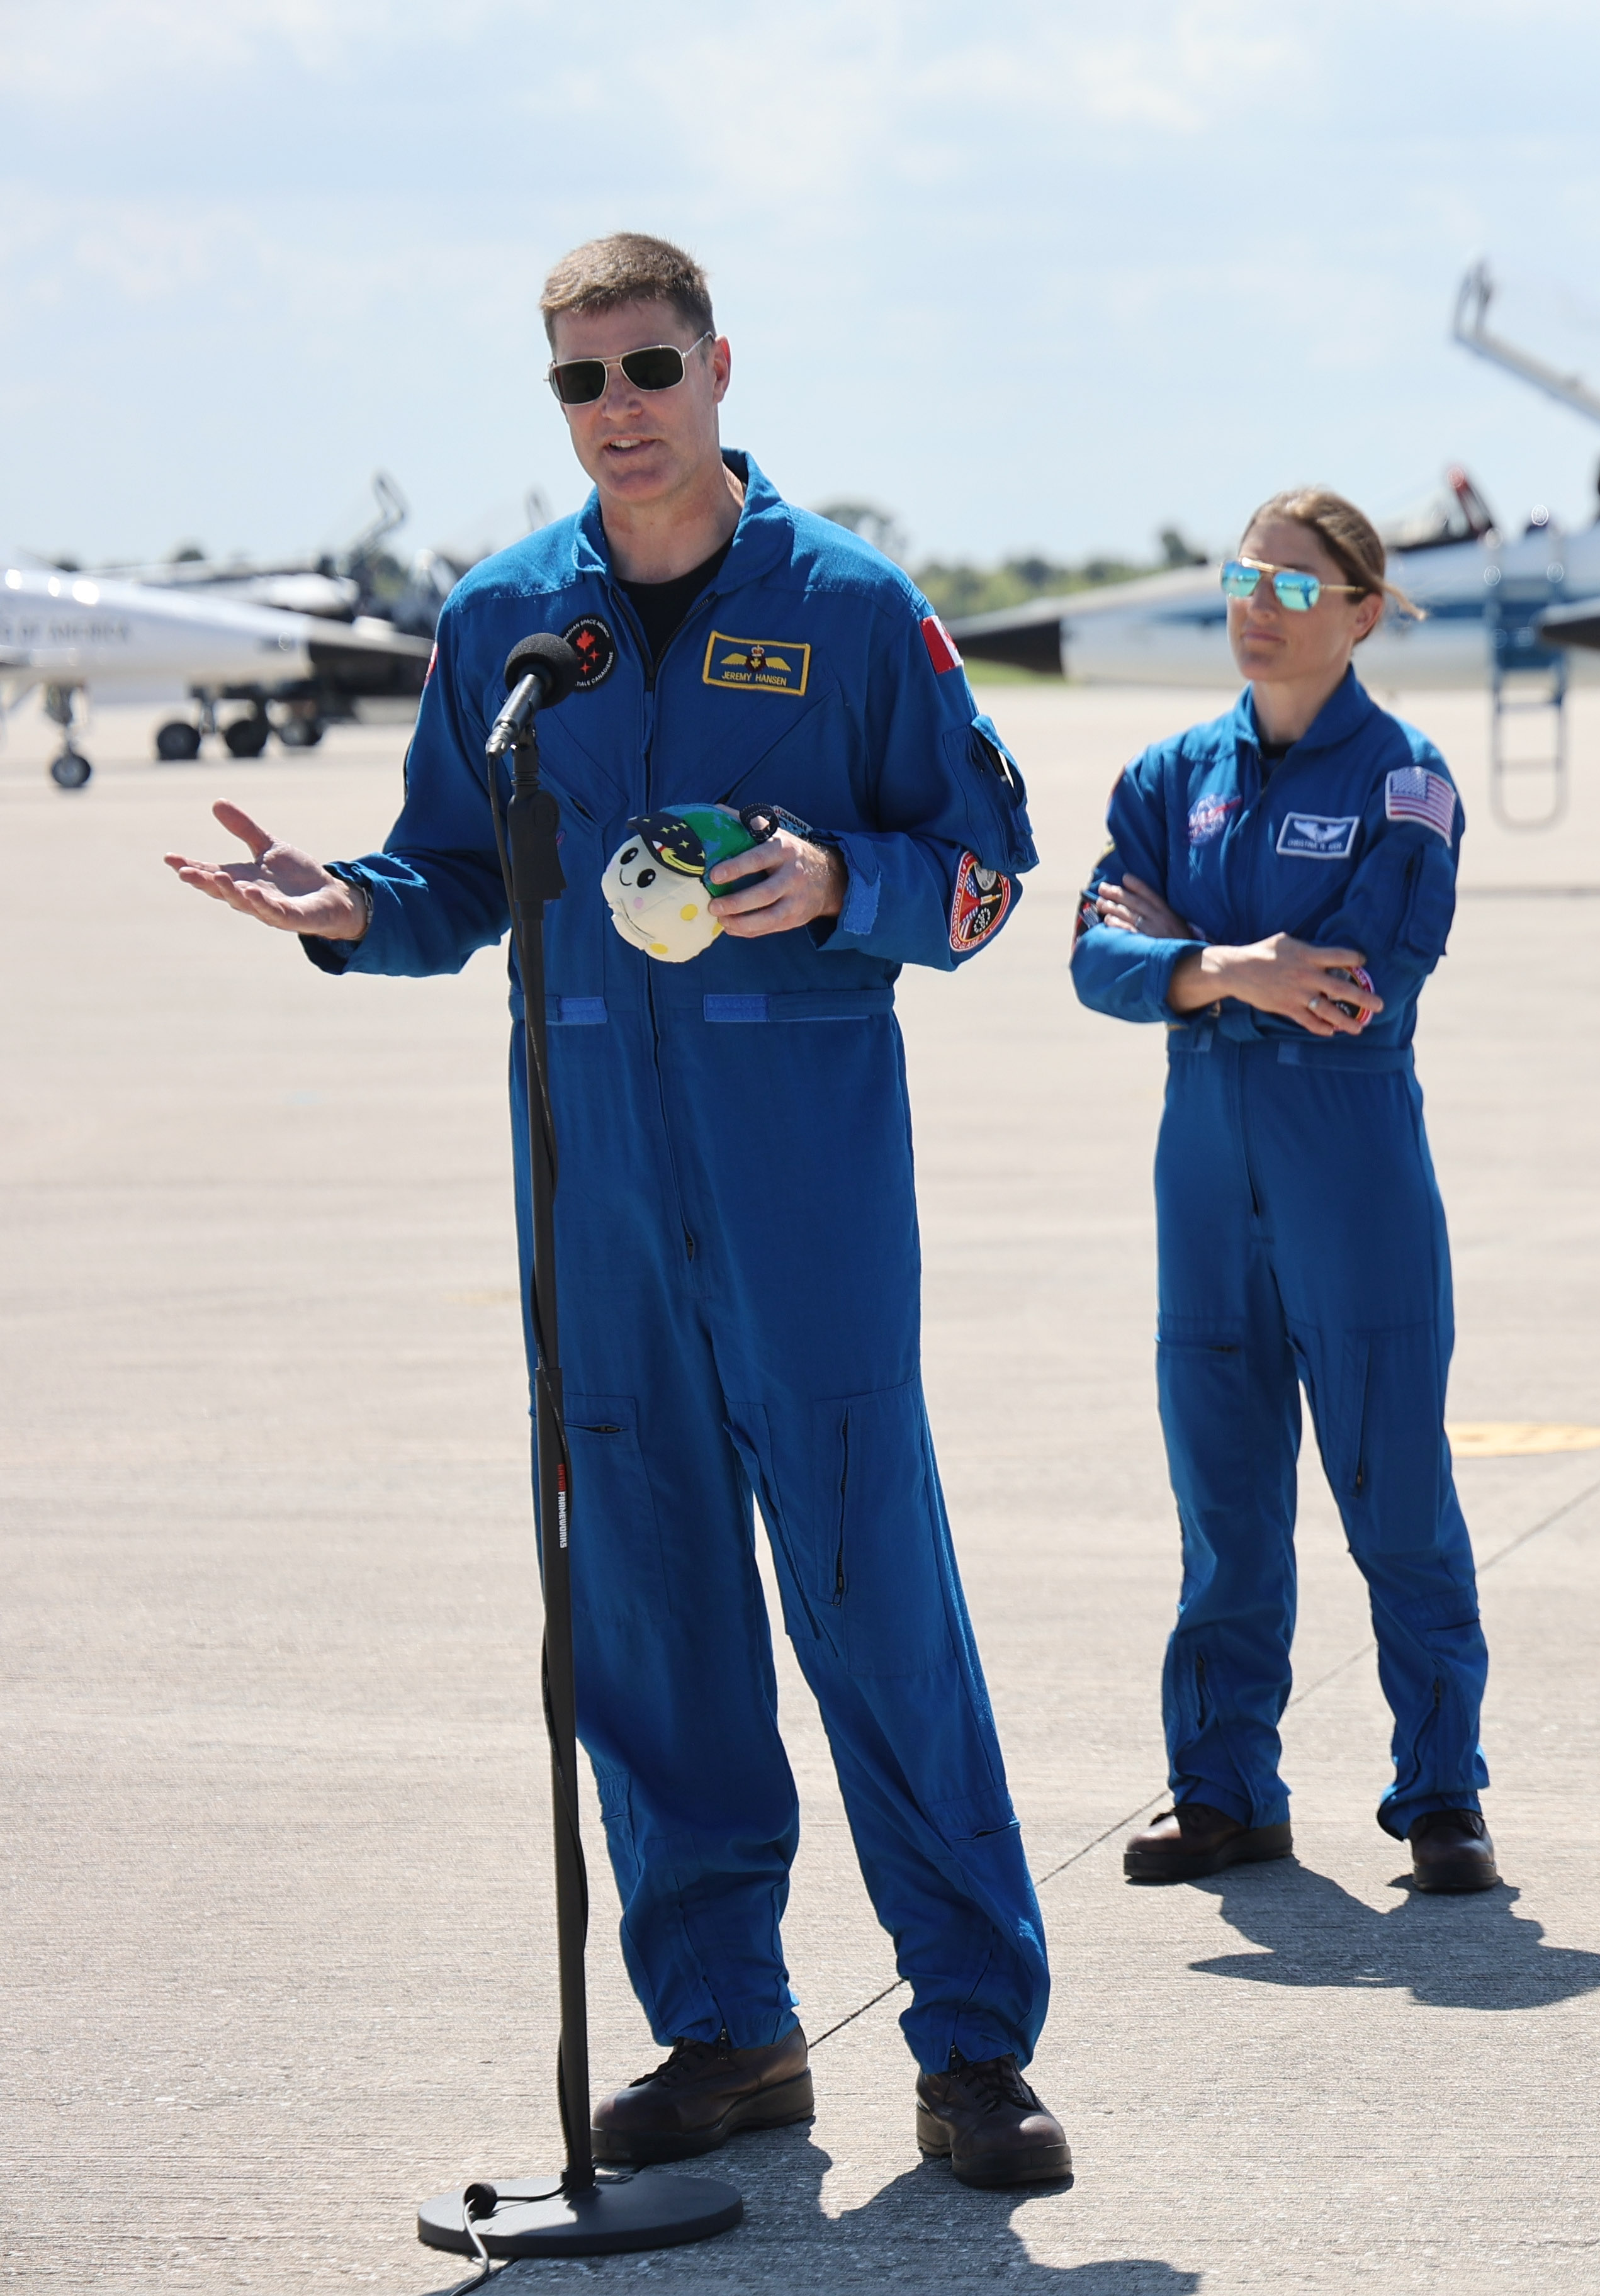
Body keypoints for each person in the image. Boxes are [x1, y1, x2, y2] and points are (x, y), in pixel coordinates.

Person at [161, 234, 1071, 2183]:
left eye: (646, 367)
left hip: (802, 1198)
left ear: (719, 364)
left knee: (873, 1602)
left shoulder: (849, 611)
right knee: (645, 1626)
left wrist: (846, 886)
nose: (617, 410)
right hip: (592, 1201)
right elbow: (448, 875)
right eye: (578, 382)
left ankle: (975, 2043)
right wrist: (348, 914)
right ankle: (729, 2031)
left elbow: (989, 872)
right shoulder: (508, 622)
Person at [1071, 488, 1500, 1899]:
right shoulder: (1168, 776)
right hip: (1203, 1187)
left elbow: (1361, 990)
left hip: (1351, 1178)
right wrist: (1239, 969)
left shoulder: (1405, 782)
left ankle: (1442, 1797)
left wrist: (1191, 967)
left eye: (1297, 589)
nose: (1259, 608)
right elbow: (1092, 957)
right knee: (1225, 1507)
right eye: (1246, 579)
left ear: (1365, 613)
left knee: (1395, 1499)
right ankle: (1226, 1793)